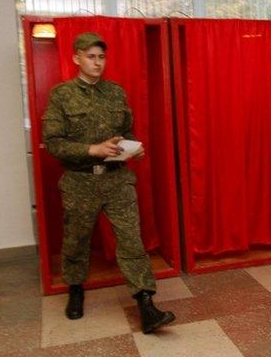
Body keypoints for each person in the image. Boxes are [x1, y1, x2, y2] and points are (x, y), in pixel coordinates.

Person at [42, 32, 175, 333]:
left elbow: (126, 132)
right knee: (76, 240)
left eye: (101, 57)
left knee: (131, 242)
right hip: (80, 182)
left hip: (117, 181)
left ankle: (146, 304)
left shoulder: (115, 92)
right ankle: (75, 288)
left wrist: (132, 150)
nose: (97, 62)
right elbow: (53, 143)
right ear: (76, 58)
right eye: (91, 56)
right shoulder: (61, 95)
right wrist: (93, 150)